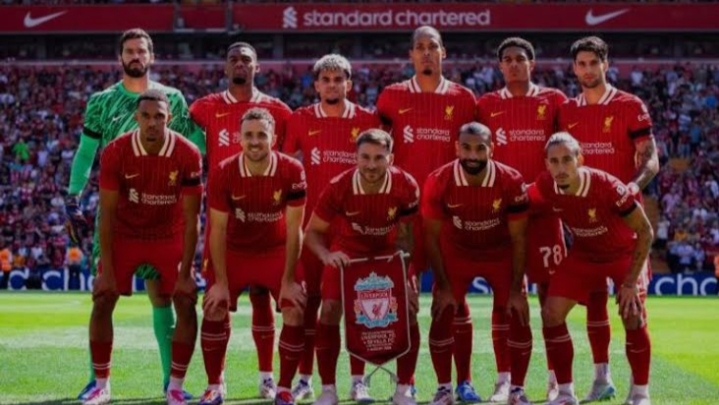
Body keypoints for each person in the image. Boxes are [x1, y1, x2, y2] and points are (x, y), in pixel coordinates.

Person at [65, 28, 204, 401]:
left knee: (164, 297)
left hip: (163, 214)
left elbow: (197, 145)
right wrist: (72, 197)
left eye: (142, 50)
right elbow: (85, 152)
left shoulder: (173, 99)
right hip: (118, 217)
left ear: (152, 56)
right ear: (120, 57)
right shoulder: (101, 101)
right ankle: (98, 381)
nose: (135, 55)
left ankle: (170, 382)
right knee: (104, 292)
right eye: (129, 50)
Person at [376, 25, 477, 401]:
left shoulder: (464, 99)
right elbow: (378, 156)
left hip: (451, 219)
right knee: (406, 303)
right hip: (406, 219)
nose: (426, 52)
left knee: (454, 302)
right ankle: (407, 384)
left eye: (432, 46)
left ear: (443, 53)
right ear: (411, 56)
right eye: (419, 47)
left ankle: (461, 382)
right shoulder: (391, 96)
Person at [189, 41, 293, 399]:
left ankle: (267, 377)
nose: (239, 64)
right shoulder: (204, 108)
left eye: (246, 59)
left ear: (257, 67)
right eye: (233, 59)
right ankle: (216, 382)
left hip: (268, 222)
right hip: (225, 224)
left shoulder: (279, 111)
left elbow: (288, 163)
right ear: (224, 67)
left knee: (264, 298)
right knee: (217, 302)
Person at [558, 36, 658, 403]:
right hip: (584, 228)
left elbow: (650, 158)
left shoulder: (630, 106)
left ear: (605, 63)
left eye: (593, 63)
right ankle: (602, 380)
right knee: (595, 304)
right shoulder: (566, 111)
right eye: (581, 64)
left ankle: (640, 391)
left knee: (632, 310)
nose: (587, 70)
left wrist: (632, 186)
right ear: (574, 69)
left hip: (625, 226)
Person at [282, 53, 381, 402]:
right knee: (307, 305)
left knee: (357, 307)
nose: (332, 85)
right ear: (316, 85)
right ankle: (305, 379)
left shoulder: (368, 120)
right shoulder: (300, 119)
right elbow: (286, 168)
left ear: (349, 84)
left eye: (338, 79)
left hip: (355, 231)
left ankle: (358, 380)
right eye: (325, 80)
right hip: (311, 231)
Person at [476, 37, 568, 402]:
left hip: (545, 215)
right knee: (505, 299)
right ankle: (505, 381)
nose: (514, 64)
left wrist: (536, 191)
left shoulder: (554, 100)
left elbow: (566, 153)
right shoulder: (486, 104)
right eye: (508, 59)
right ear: (500, 66)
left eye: (520, 59)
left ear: (532, 64)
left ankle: (555, 379)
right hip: (502, 218)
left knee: (551, 300)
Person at [199, 108, 307, 405]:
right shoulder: (223, 171)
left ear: (274, 137)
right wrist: (221, 283)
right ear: (239, 138)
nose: (255, 141)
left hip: (275, 249)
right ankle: (214, 385)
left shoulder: (292, 170)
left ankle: (283, 388)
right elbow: (218, 229)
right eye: (249, 135)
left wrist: (288, 280)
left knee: (295, 308)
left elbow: (295, 227)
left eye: (262, 135)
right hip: (234, 250)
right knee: (214, 306)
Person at [304, 129, 420, 405]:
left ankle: (403, 389)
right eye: (365, 157)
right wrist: (326, 255)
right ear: (355, 157)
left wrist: (405, 277)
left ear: (390, 158)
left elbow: (406, 237)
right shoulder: (339, 186)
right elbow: (312, 233)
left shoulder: (406, 185)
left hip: (388, 253)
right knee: (329, 310)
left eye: (379, 158)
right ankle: (328, 390)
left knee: (409, 312)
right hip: (348, 253)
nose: (371, 164)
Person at [537, 132, 653, 405]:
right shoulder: (545, 185)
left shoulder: (608, 187)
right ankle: (565, 393)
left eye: (567, 160)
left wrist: (629, 284)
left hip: (623, 253)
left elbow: (645, 231)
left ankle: (640, 394)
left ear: (580, 160)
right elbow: (520, 198)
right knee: (551, 314)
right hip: (585, 255)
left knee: (632, 314)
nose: (561, 168)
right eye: (554, 161)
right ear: (547, 165)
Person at [422, 122, 533, 405]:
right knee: (443, 311)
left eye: (480, 148)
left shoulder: (511, 180)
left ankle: (514, 388)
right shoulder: (439, 180)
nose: (472, 155)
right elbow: (431, 237)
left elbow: (519, 238)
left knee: (517, 312)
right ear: (456, 148)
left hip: (500, 253)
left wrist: (517, 289)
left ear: (491, 149)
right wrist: (443, 285)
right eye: (466, 148)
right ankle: (445, 388)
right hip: (457, 253)